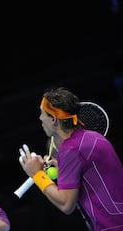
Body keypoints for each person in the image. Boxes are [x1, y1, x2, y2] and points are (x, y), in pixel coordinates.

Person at [19, 87, 123, 231]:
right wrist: (64, 169)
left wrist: (37, 174)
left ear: (53, 119)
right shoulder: (92, 137)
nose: (40, 118)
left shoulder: (71, 150)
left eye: (42, 113)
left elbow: (66, 205)